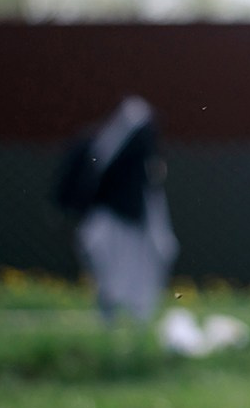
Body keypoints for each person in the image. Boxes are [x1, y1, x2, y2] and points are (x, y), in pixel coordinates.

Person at [52, 97, 178, 323]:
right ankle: (114, 313)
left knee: (135, 268)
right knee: (110, 266)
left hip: (133, 221)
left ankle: (133, 315)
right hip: (115, 218)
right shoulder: (107, 143)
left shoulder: (130, 147)